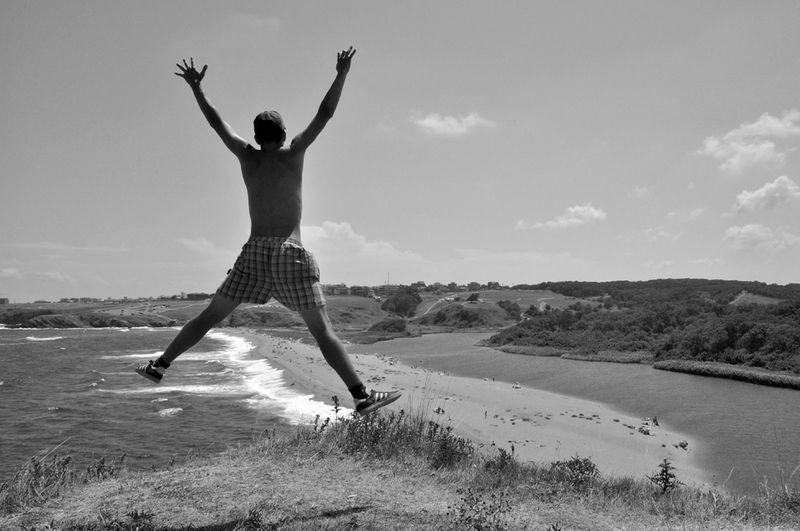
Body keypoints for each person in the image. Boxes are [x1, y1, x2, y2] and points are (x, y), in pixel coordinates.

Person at [136, 47, 400, 415]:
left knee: (210, 316)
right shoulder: (295, 153)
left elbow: (216, 123)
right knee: (322, 330)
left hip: (255, 252)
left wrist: (196, 88)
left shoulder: (247, 156)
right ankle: (360, 396)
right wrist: (342, 73)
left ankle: (160, 366)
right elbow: (325, 113)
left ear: (256, 136)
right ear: (285, 133)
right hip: (290, 251)